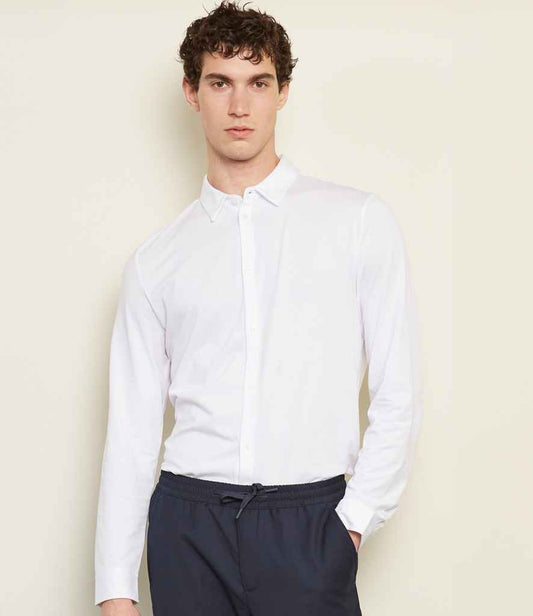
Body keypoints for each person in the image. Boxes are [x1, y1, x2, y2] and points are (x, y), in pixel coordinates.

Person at [94, 1, 424, 614]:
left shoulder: (356, 222)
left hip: (310, 523)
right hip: (188, 526)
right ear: (192, 93)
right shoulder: (156, 261)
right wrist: (115, 588)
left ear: (283, 92)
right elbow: (132, 433)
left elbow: (397, 392)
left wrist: (351, 523)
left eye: (259, 83)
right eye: (220, 83)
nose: (240, 106)